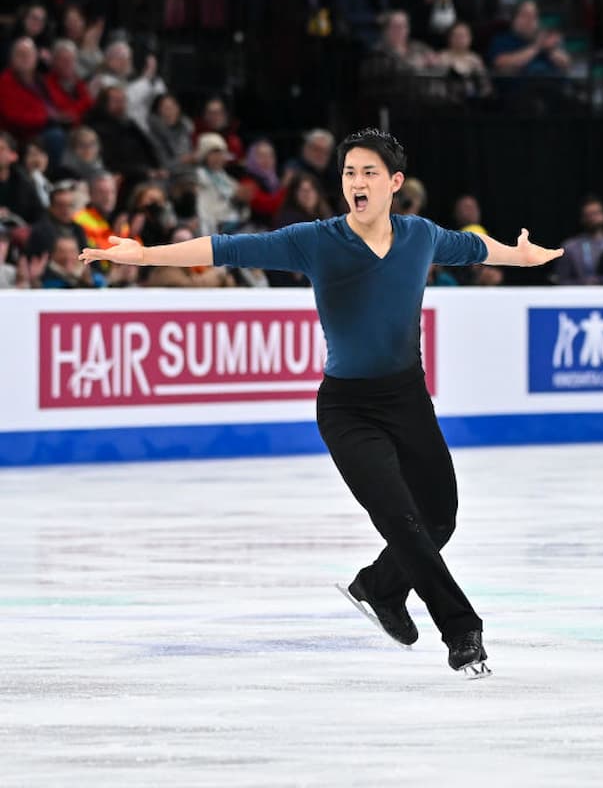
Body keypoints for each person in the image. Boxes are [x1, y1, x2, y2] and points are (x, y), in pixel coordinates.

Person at [81, 128, 563, 677]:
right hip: (347, 410)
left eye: (368, 174)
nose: (356, 183)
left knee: (440, 518)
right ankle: (462, 630)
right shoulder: (316, 239)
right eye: (349, 173)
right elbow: (228, 247)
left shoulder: (421, 236)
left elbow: (476, 249)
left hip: (408, 398)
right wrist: (143, 254)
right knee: (401, 520)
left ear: (394, 184)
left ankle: (379, 589)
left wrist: (520, 258)